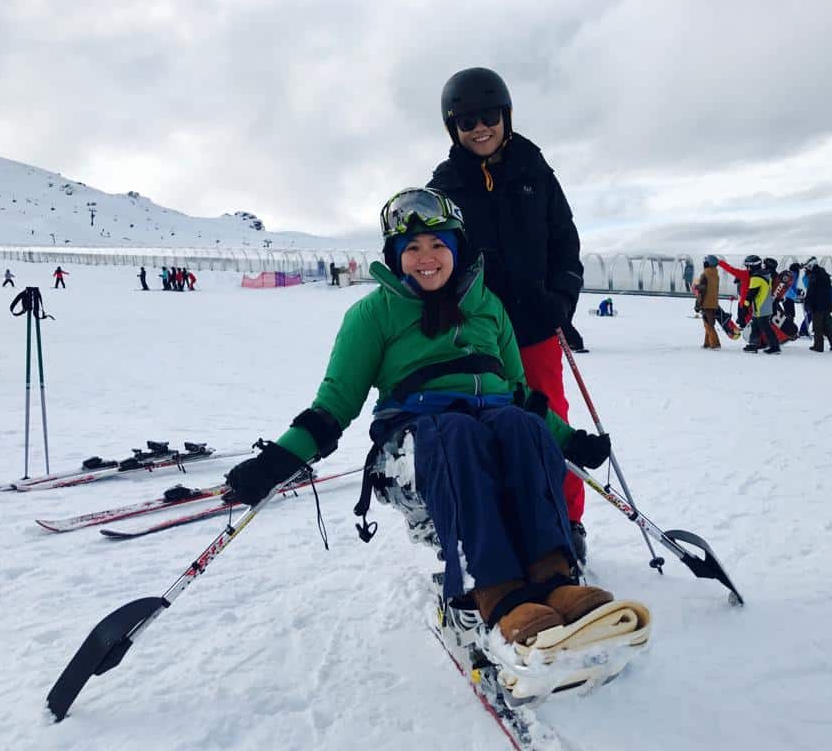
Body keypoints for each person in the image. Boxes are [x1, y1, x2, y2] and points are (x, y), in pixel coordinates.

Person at [223, 187, 646, 658]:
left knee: (520, 427)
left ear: (458, 248)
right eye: (413, 249)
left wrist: (571, 440)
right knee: (458, 432)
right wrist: (279, 461)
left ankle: (553, 578)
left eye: (439, 244)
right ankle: (494, 591)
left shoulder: (489, 307)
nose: (427, 258)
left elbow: (522, 395)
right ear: (396, 257)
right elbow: (333, 406)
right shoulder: (372, 315)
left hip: (495, 423)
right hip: (417, 442)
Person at [427, 67, 590, 560]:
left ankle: (567, 520)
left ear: (507, 116)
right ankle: (504, 525)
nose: (480, 127)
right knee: (487, 424)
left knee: (549, 419)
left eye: (489, 116)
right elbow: (434, 256)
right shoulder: (445, 185)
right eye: (466, 120)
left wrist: (562, 299)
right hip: (477, 333)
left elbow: (565, 241)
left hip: (537, 325)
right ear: (452, 127)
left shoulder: (534, 171)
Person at [742, 256, 780, 353]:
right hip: (765, 306)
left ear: (752, 266)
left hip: (761, 307)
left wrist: (745, 306)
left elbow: (751, 293)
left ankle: (775, 347)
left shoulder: (756, 277)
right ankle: (753, 345)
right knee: (755, 326)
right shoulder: (766, 274)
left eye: (748, 266)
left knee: (766, 328)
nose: (747, 269)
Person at [802, 257, 832, 351]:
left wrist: (808, 302)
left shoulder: (815, 276)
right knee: (825, 325)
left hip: (818, 305)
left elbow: (812, 292)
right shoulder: (822, 274)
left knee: (817, 326)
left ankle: (818, 346)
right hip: (826, 304)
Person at [717, 256, 753, 327]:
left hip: (745, 302)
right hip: (751, 302)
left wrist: (720, 262)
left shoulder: (745, 274)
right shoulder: (758, 274)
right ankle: (743, 322)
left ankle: (744, 324)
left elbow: (731, 270)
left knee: (744, 316)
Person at [697, 255, 721, 349]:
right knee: (708, 323)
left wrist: (698, 304)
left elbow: (702, 290)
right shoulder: (716, 274)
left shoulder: (705, 274)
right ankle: (707, 343)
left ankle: (715, 344)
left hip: (706, 303)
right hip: (714, 302)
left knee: (709, 325)